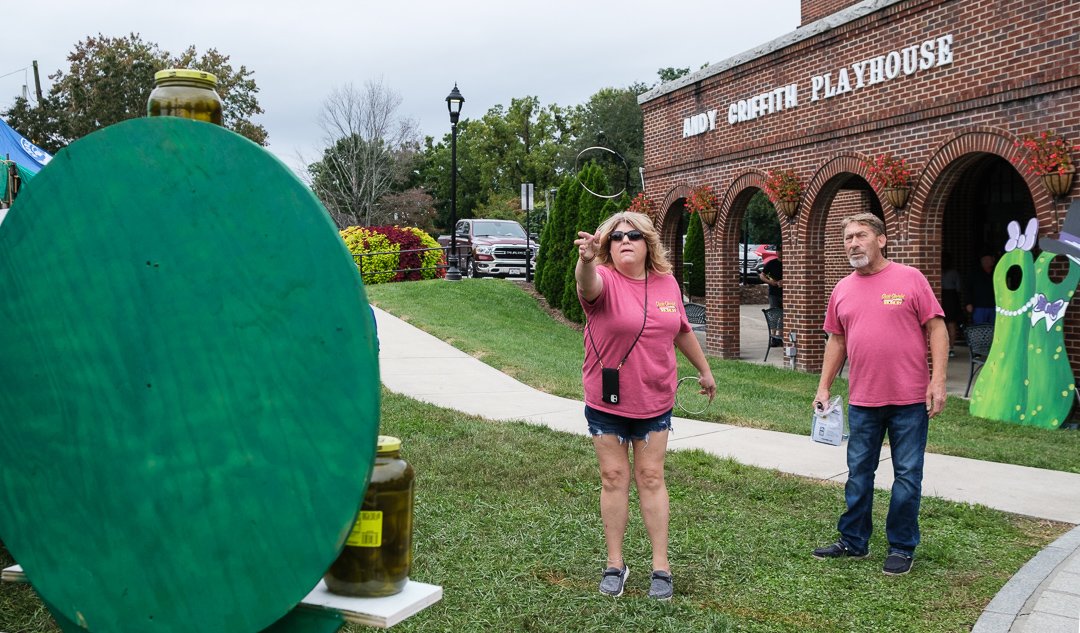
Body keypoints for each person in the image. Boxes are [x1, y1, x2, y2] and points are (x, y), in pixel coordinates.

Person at [574, 210, 716, 600]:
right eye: (615, 237)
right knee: (613, 478)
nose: (624, 242)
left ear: (648, 242)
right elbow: (586, 286)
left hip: (655, 399)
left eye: (633, 235)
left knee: (651, 478)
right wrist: (586, 259)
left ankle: (660, 566)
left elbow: (682, 330)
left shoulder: (667, 283)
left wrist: (704, 371)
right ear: (606, 246)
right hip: (607, 401)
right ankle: (615, 564)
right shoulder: (603, 280)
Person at [812, 212, 948, 577]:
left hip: (908, 401)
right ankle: (853, 541)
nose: (853, 243)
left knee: (906, 475)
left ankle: (902, 547)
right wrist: (824, 385)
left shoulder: (910, 279)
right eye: (847, 238)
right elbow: (836, 340)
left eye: (861, 235)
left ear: (881, 240)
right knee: (859, 473)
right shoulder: (842, 289)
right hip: (863, 400)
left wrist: (938, 381)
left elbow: (937, 328)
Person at [940, 252, 962, 358]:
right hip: (948, 296)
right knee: (947, 324)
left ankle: (951, 347)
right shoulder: (951, 272)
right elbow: (958, 288)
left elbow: (958, 288)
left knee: (950, 324)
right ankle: (949, 348)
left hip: (949, 297)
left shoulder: (952, 273)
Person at [966, 254, 996, 325]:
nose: (986, 261)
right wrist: (968, 303)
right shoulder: (974, 273)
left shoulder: (997, 272)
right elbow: (968, 288)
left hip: (995, 306)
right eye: (983, 260)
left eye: (988, 259)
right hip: (979, 306)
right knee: (979, 328)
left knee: (994, 329)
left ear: (993, 260)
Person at [759, 245, 783, 309]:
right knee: (774, 313)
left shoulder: (790, 263)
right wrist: (770, 282)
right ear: (776, 252)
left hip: (787, 293)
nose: (780, 252)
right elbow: (762, 275)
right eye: (778, 251)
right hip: (774, 293)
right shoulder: (771, 263)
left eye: (781, 250)